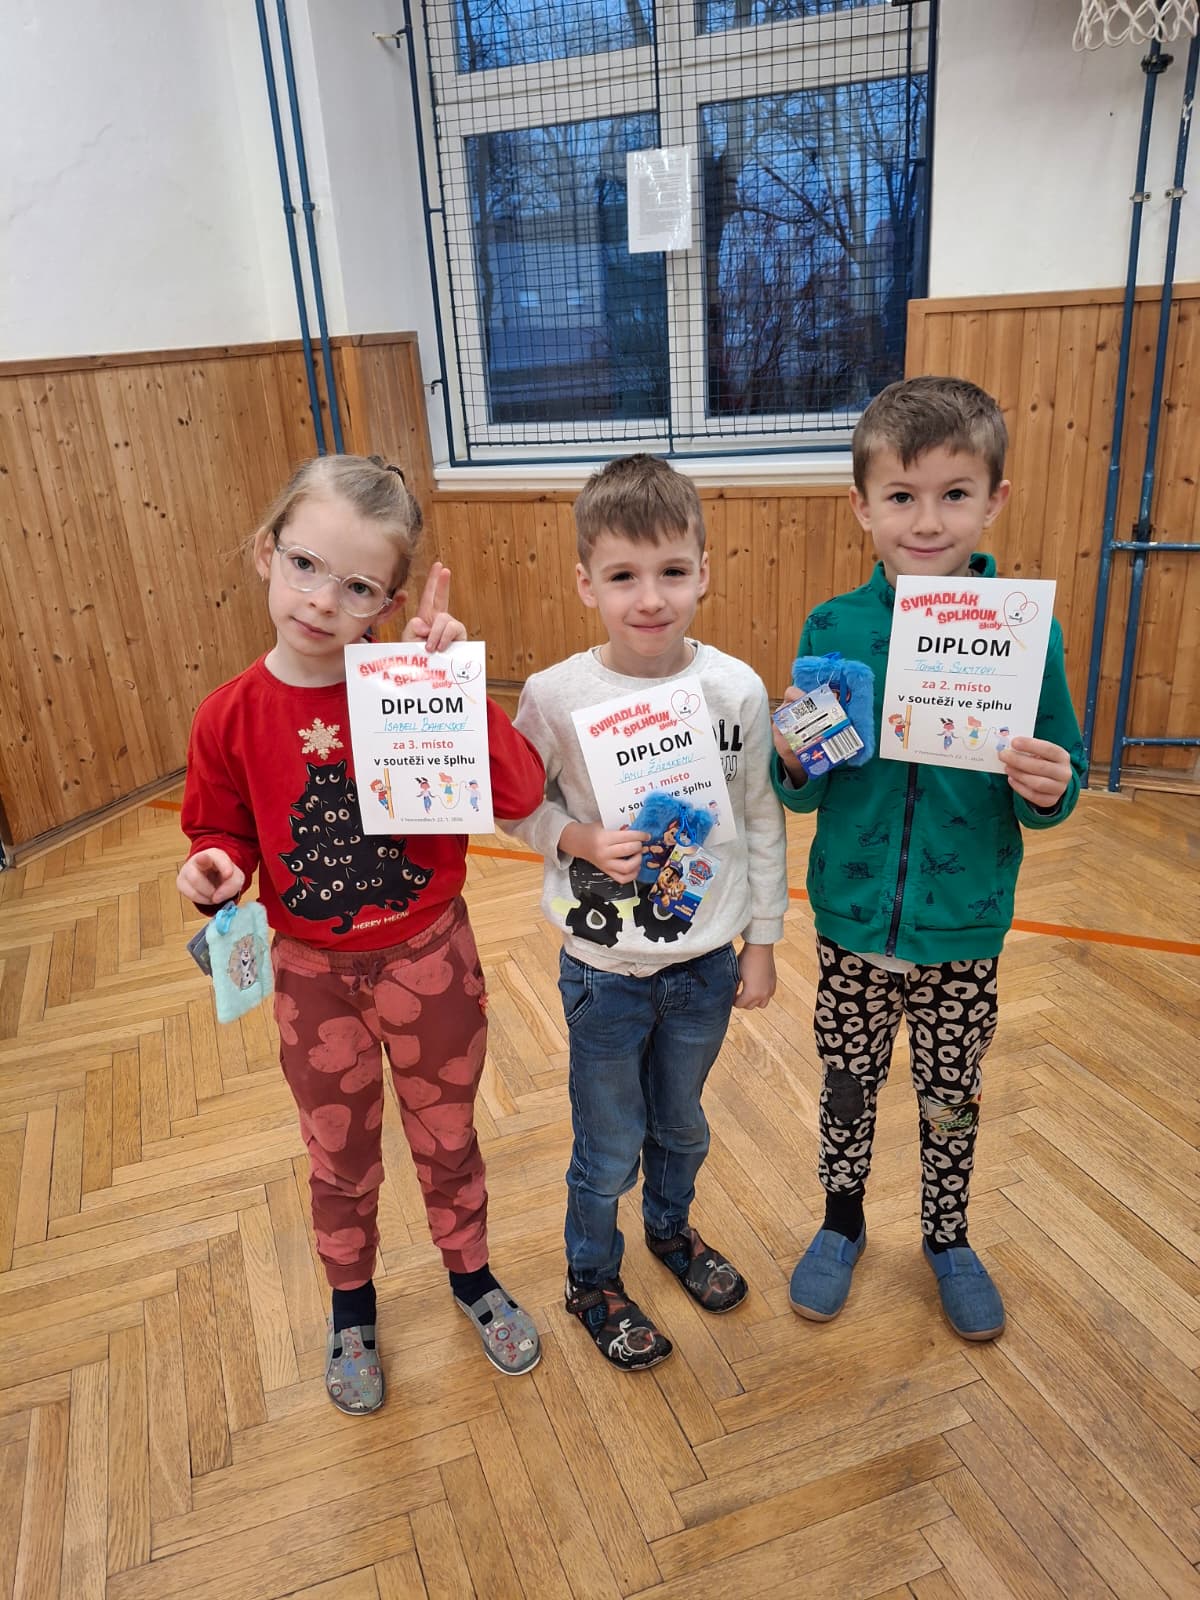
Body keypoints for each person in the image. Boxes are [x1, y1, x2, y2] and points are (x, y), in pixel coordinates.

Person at [176, 454, 546, 1415]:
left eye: (356, 586)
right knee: (338, 1157)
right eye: (305, 564)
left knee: (449, 1135)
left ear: (388, 602)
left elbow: (519, 793)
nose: (320, 599)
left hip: (432, 961)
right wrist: (212, 870)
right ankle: (352, 1309)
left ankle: (471, 1275)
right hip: (311, 977)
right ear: (267, 552)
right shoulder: (227, 717)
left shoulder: (407, 684)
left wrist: (450, 683)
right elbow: (219, 834)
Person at [775, 376, 1086, 1342]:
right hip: (852, 922)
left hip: (964, 929)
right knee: (846, 1084)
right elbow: (805, 788)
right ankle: (841, 1221)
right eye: (902, 496)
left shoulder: (1027, 634)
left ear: (994, 499)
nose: (926, 520)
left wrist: (1050, 784)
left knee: (951, 1096)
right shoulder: (833, 628)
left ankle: (948, 1238)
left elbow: (1060, 779)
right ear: (862, 506)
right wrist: (795, 759)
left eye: (954, 494)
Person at [508, 454, 787, 1371]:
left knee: (682, 1125)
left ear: (704, 571)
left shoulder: (735, 689)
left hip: (705, 965)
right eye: (623, 576)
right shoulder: (556, 695)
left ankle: (671, 1232)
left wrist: (761, 942)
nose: (651, 598)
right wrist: (578, 838)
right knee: (607, 1148)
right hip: (606, 973)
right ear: (585, 583)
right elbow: (513, 802)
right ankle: (592, 1278)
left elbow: (759, 819)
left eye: (672, 571)